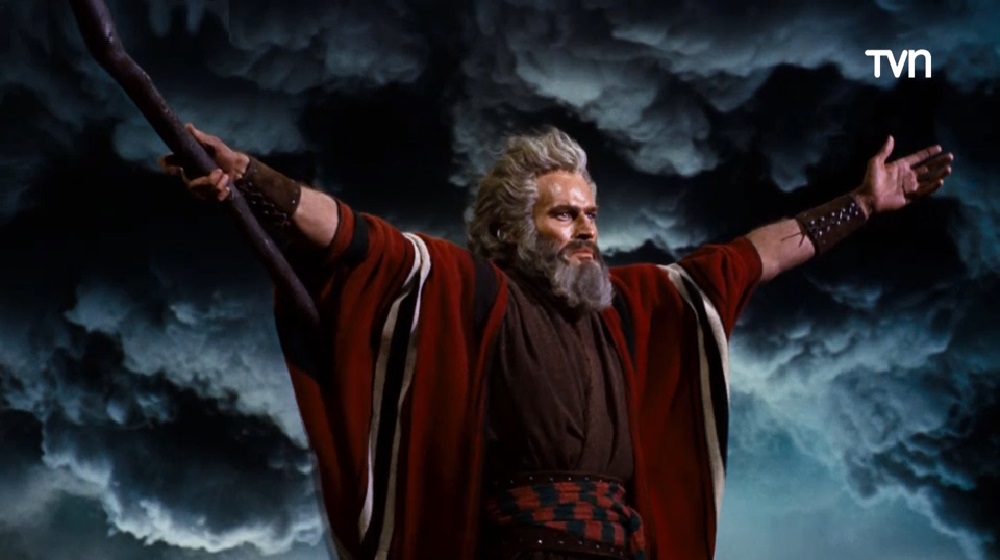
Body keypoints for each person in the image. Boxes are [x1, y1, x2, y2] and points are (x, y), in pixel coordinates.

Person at [161, 125, 952, 560]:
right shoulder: (477, 292)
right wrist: (253, 182)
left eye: (591, 215)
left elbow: (752, 257)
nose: (586, 231)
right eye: (564, 214)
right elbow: (362, 241)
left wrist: (861, 203)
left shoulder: (633, 307)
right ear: (514, 228)